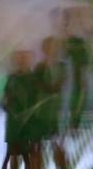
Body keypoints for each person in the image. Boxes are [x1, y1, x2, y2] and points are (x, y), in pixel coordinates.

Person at [32, 37, 68, 169]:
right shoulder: (39, 68)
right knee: (38, 147)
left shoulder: (62, 66)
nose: (54, 50)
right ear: (44, 49)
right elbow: (40, 85)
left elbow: (62, 83)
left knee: (58, 146)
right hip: (42, 112)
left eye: (56, 47)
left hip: (56, 112)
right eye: (51, 47)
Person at [0, 50, 34, 169]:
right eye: (18, 59)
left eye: (23, 59)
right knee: (11, 150)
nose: (21, 62)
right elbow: (4, 97)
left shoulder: (31, 78)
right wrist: (6, 106)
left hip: (25, 117)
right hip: (13, 116)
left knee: (25, 150)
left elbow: (34, 96)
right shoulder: (12, 77)